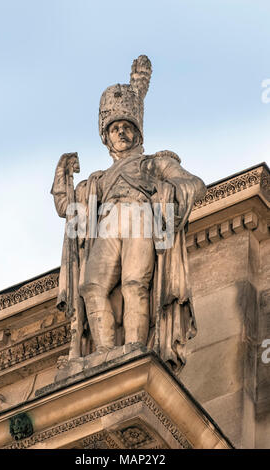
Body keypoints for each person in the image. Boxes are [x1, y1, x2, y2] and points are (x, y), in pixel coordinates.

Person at [52, 56, 206, 373]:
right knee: (91, 286)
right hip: (107, 224)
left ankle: (135, 350)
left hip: (140, 218)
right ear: (105, 137)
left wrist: (166, 191)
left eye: (127, 127)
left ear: (137, 133)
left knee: (136, 283)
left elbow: (194, 185)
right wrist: (62, 178)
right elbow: (68, 210)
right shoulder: (96, 180)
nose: (121, 133)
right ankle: (104, 353)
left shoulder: (155, 163)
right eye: (115, 129)